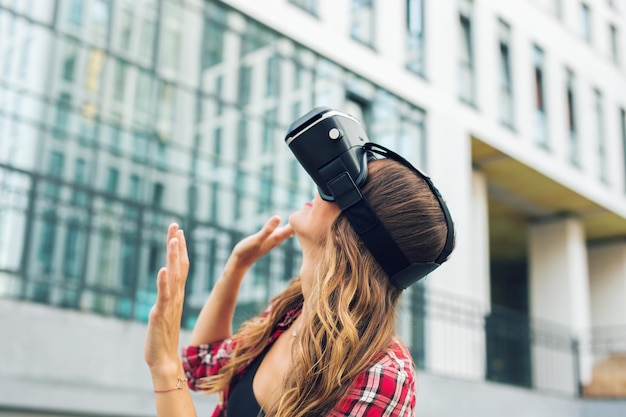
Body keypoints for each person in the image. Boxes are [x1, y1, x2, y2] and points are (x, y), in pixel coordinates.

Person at [144, 156, 453, 416]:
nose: (320, 189)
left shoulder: (383, 376)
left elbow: (181, 372)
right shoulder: (293, 313)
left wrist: (165, 366)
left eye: (337, 189)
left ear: (356, 231)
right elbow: (202, 367)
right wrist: (235, 269)